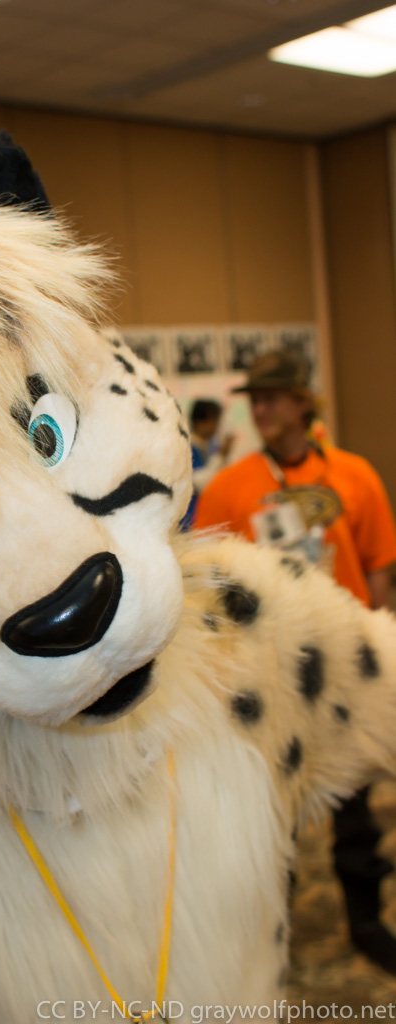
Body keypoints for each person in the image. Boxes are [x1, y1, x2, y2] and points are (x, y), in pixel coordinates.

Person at [195, 349, 396, 973]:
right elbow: (206, 584)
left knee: (356, 817)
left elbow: (379, 566)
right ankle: (270, 945)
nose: (260, 409)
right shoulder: (229, 486)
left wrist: (367, 646)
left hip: (344, 677)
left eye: (272, 397)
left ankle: (367, 924)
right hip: (267, 683)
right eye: (254, 399)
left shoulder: (354, 475)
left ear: (303, 402)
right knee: (266, 823)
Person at [182, 398, 234, 529]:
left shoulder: (211, 446)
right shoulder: (188, 448)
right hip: (192, 520)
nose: (217, 425)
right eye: (214, 420)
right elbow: (200, 484)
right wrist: (220, 456)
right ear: (199, 422)